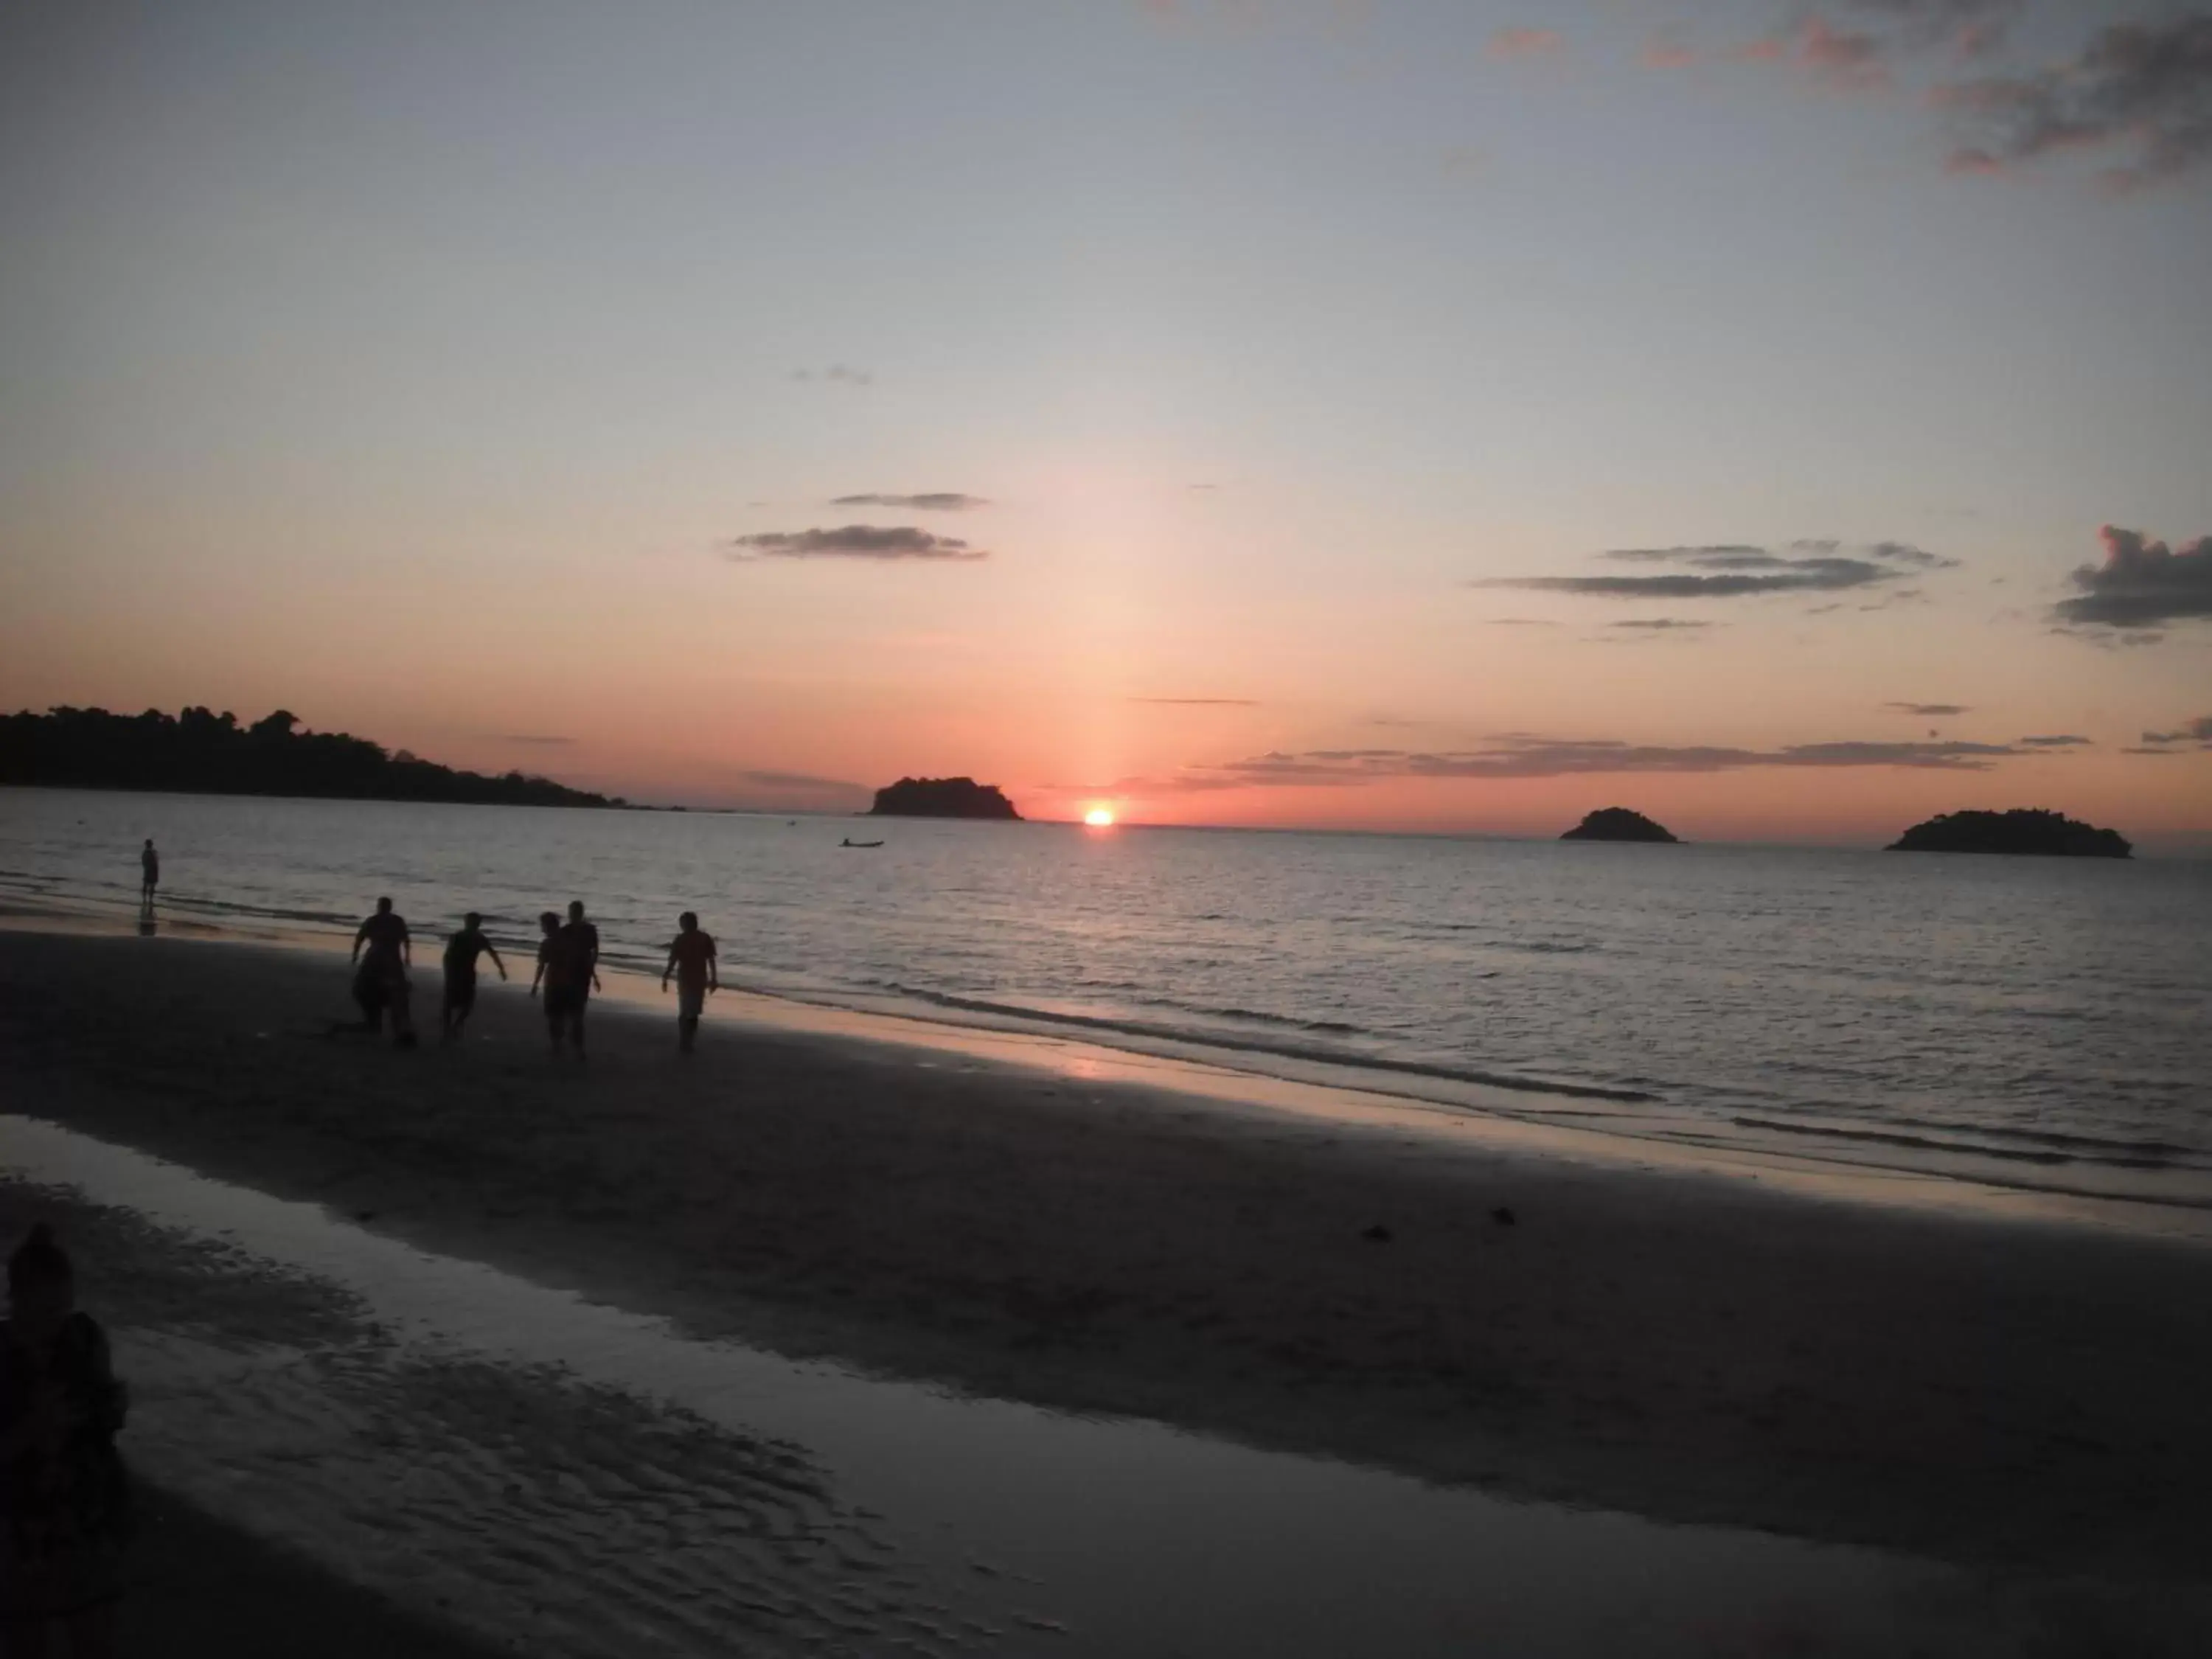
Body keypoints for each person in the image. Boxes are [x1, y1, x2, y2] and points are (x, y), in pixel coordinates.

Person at [1, 1225, 131, 1659]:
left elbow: (105, 1423)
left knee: (96, 1642)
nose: (56, 1323)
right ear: (15, 1299)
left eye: (63, 1308)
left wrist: (112, 1407)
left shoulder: (84, 1336)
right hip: (18, 1529)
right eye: (45, 1311)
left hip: (84, 1518)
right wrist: (32, 1430)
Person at [350, 897, 415, 1047]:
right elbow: (406, 940)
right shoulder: (389, 921)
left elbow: (360, 938)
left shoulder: (378, 920)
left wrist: (355, 954)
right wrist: (407, 957)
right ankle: (394, 1029)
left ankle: (395, 1029)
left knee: (396, 995)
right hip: (383, 959)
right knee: (395, 995)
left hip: (383, 958)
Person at [440, 913, 508, 1043]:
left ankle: (452, 1027)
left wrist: (502, 969)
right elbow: (448, 956)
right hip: (460, 972)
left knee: (461, 1004)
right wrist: (501, 969)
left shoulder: (474, 937)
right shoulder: (464, 937)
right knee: (455, 1004)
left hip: (462, 972)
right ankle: (450, 1028)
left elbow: (492, 953)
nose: (474, 925)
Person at [661, 912, 719, 1053]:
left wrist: (666, 976)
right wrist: (713, 979)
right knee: (690, 1012)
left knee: (689, 1011)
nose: (683, 926)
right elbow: (710, 960)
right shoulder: (697, 938)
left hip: (692, 979)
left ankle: (686, 1039)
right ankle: (686, 1040)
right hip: (692, 979)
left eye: (683, 923)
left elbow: (673, 961)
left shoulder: (693, 939)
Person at [137, 841, 158, 907]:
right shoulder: (153, 852)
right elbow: (156, 861)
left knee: (146, 885)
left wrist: (146, 867)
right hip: (153, 870)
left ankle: (145, 899)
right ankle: (150, 900)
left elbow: (143, 862)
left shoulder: (146, 853)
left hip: (148, 870)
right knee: (151, 886)